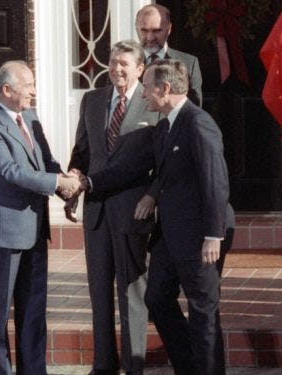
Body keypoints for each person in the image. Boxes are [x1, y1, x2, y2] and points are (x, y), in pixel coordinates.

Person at [78, 59, 233, 374]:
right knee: (157, 297)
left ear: (164, 88)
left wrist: (212, 235)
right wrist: (88, 182)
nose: (143, 94)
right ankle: (188, 367)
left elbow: (216, 181)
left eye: (147, 87)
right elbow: (132, 167)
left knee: (203, 312)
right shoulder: (164, 127)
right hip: (170, 235)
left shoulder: (198, 123)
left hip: (202, 235)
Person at [0, 60, 74, 374]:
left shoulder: (30, 116)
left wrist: (67, 185)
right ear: (6, 89)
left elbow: (45, 161)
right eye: (27, 85)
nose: (33, 91)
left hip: (33, 228)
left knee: (33, 312)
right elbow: (10, 171)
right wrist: (57, 183)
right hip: (2, 232)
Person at [66, 40, 161, 375]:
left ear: (139, 69)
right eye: (112, 61)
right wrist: (73, 179)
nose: (116, 68)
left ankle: (134, 365)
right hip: (97, 210)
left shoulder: (151, 103)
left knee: (132, 292)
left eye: (124, 63)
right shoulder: (92, 100)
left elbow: (162, 163)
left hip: (132, 210)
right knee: (99, 290)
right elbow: (82, 151)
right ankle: (102, 365)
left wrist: (152, 195)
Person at [135, 3, 203, 107]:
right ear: (136, 29)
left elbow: (193, 109)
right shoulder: (123, 64)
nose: (150, 38)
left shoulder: (189, 63)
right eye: (144, 30)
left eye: (156, 30)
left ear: (169, 29)